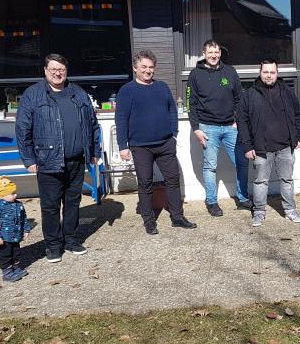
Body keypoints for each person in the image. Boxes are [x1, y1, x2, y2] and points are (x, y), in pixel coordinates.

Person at [16, 54, 100, 263]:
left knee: (73, 202)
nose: (57, 73)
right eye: (53, 69)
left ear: (66, 71)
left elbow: (93, 124)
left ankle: (71, 239)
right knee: (51, 206)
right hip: (48, 160)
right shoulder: (33, 95)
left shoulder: (78, 93)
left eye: (61, 69)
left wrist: (94, 151)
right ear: (45, 71)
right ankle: (53, 245)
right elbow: (22, 129)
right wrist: (29, 159)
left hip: (77, 160)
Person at [115, 50, 197, 235]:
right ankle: (149, 220)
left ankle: (177, 216)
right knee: (145, 182)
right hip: (140, 146)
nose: (147, 70)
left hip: (165, 143)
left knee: (173, 180)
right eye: (143, 67)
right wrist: (122, 146)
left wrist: (174, 134)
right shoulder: (127, 91)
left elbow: (172, 111)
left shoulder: (162, 87)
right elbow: (121, 119)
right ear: (135, 68)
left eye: (151, 67)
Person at [237, 59, 300, 227]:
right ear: (260, 73)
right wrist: (247, 145)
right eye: (265, 72)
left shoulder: (287, 92)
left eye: (272, 72)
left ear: (277, 73)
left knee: (287, 180)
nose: (268, 75)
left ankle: (290, 210)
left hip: (285, 146)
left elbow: (297, 114)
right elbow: (242, 121)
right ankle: (259, 212)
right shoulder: (250, 94)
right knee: (261, 182)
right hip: (261, 148)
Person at [187, 39, 250, 216]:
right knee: (210, 166)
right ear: (204, 53)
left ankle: (243, 198)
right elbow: (190, 103)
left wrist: (239, 121)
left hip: (231, 127)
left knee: (242, 162)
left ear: (220, 53)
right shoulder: (195, 74)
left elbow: (239, 98)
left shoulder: (230, 72)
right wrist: (196, 128)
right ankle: (212, 202)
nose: (213, 56)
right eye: (210, 53)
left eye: (216, 52)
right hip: (208, 128)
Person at [0, 177, 31, 282]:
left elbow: (23, 218)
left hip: (15, 235)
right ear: (1, 195)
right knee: (5, 255)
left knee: (16, 252)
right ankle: (7, 272)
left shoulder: (18, 204)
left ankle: (16, 268)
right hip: (3, 237)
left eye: (15, 192)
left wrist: (26, 229)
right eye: (12, 193)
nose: (15, 195)